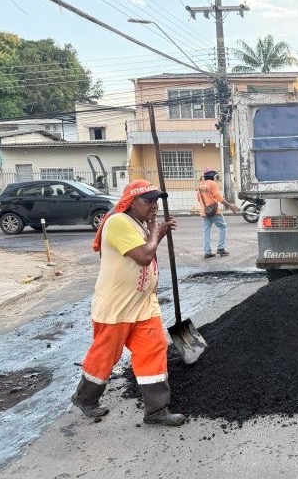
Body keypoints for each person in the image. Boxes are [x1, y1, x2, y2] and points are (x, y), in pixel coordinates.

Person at [72, 179, 185, 427]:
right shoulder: (118, 223)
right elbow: (144, 257)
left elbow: (147, 249)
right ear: (131, 202)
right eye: (148, 201)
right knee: (105, 357)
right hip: (116, 307)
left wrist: (158, 233)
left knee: (153, 351)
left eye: (156, 200)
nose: (154, 206)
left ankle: (157, 410)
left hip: (143, 305)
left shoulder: (138, 223)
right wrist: (156, 234)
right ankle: (85, 399)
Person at [197, 167, 240, 259]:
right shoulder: (213, 184)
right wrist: (230, 206)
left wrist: (205, 206)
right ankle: (221, 248)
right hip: (214, 211)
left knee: (206, 231)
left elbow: (198, 198)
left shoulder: (200, 184)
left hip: (204, 211)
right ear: (212, 175)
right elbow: (218, 197)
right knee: (222, 227)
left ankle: (207, 252)